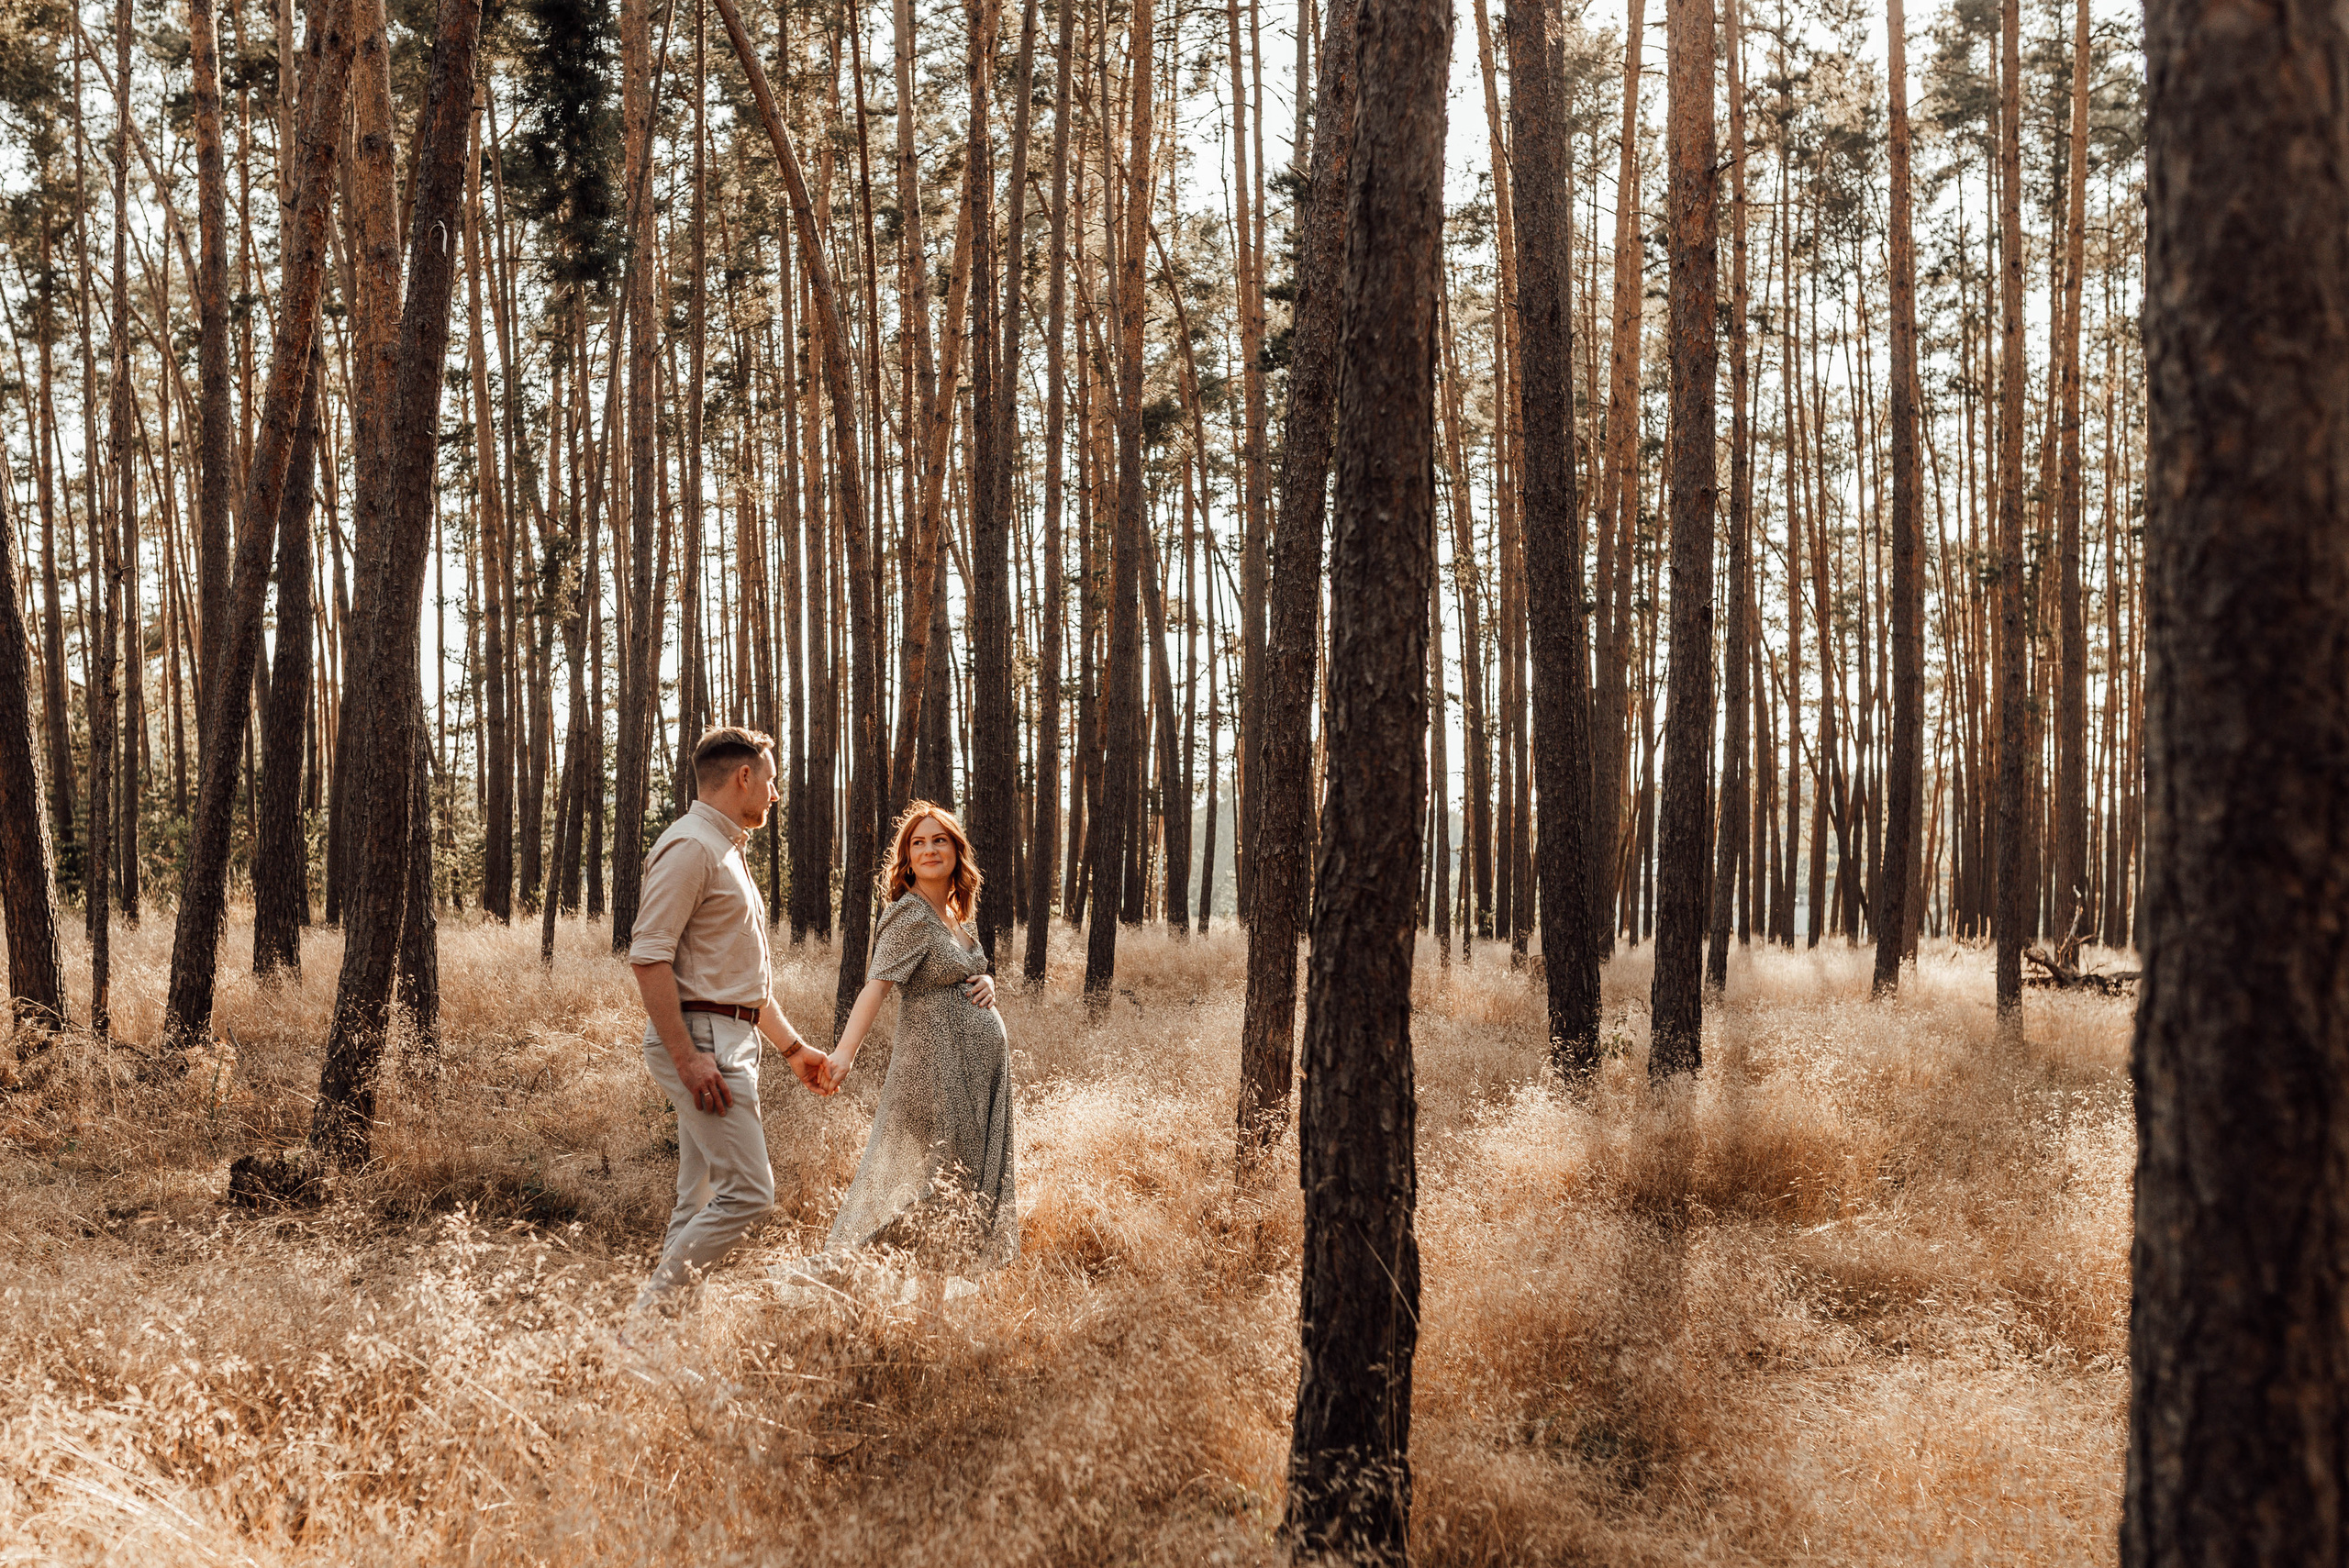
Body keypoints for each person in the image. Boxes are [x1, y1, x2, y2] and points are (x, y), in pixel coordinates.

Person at [627, 726, 831, 1318]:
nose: (774, 794)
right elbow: (648, 956)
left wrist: (794, 1050)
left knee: (699, 1198)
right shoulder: (691, 846)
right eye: (770, 780)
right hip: (704, 1045)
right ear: (744, 775)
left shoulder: (724, 850)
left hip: (729, 1038)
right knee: (750, 1195)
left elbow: (740, 983)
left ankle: (660, 1350)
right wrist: (690, 1059)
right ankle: (639, 1334)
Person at [811, 800, 1019, 1280]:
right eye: (918, 843)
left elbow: (961, 973)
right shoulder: (909, 914)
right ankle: (848, 1277)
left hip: (973, 1073)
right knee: (934, 1182)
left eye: (939, 840)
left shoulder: (953, 916)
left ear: (956, 850)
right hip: (934, 1066)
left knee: (958, 1183)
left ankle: (934, 1304)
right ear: (906, 858)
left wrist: (987, 981)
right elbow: (876, 986)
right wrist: (845, 1052)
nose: (929, 850)